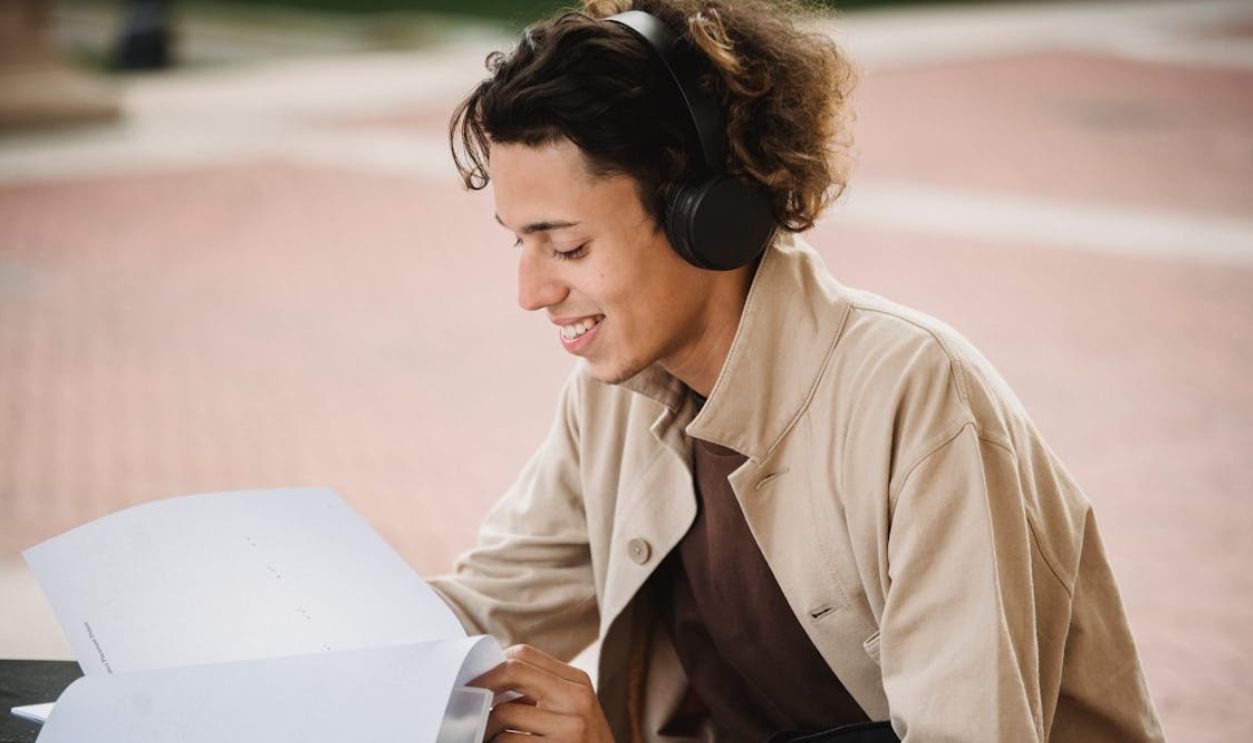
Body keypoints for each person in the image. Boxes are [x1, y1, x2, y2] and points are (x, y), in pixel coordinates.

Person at [429, 1, 1167, 741]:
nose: (530, 294)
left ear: (706, 215)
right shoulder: (611, 400)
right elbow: (481, 607)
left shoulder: (914, 398)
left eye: (566, 247)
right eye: (518, 244)